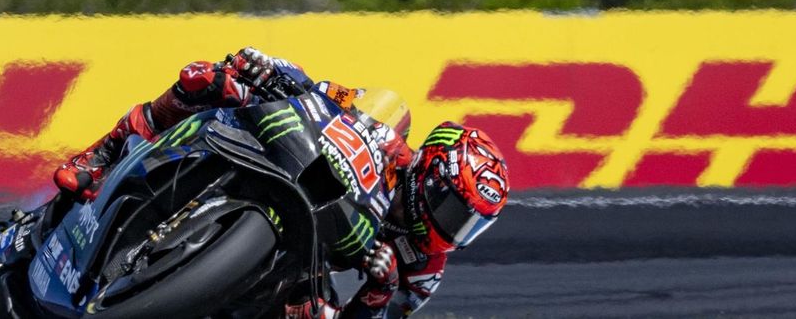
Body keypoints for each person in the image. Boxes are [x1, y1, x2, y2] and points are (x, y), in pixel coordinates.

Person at [52, 48, 508, 318]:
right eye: (455, 211)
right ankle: (104, 154)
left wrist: (377, 292)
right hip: (293, 161)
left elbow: (388, 315)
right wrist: (271, 72)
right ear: (431, 177)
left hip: (307, 269)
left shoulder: (424, 269)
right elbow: (326, 94)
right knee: (207, 77)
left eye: (469, 225)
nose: (453, 229)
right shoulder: (391, 139)